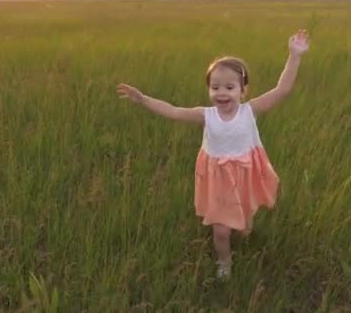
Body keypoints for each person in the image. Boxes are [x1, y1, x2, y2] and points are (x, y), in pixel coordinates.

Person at [117, 29, 310, 279]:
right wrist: (144, 100)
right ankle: (224, 262)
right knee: (221, 229)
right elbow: (174, 111)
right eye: (215, 86)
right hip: (217, 178)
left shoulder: (249, 111)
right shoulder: (205, 114)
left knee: (245, 223)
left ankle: (245, 236)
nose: (221, 93)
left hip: (245, 174)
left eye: (229, 87)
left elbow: (281, 90)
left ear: (243, 90)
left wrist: (294, 55)